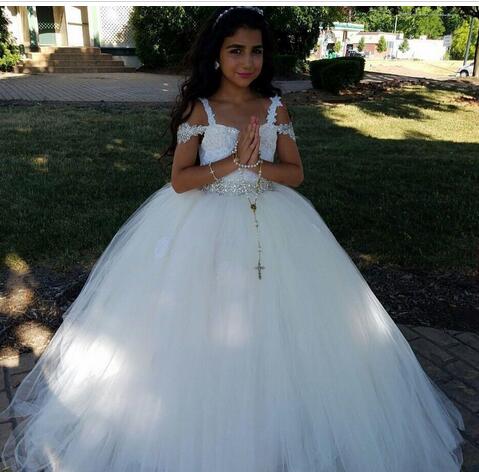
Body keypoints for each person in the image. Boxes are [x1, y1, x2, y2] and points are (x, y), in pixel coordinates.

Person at [0, 6, 466, 472]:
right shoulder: (200, 107)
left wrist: (257, 166)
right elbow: (181, 180)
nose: (247, 62)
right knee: (201, 325)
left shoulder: (274, 106)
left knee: (280, 325)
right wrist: (232, 164)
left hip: (274, 224)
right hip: (203, 228)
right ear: (217, 56)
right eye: (236, 50)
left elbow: (296, 173)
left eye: (256, 51)